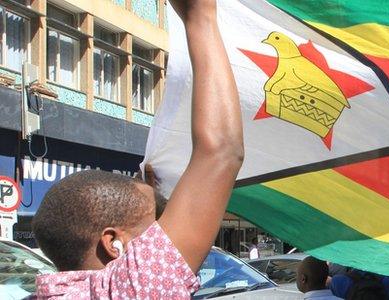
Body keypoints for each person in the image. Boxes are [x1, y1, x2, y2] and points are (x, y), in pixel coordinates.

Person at [30, 1, 244, 298]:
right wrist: (200, 17)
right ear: (113, 243)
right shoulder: (130, 288)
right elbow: (221, 151)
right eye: (154, 226)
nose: (167, 233)